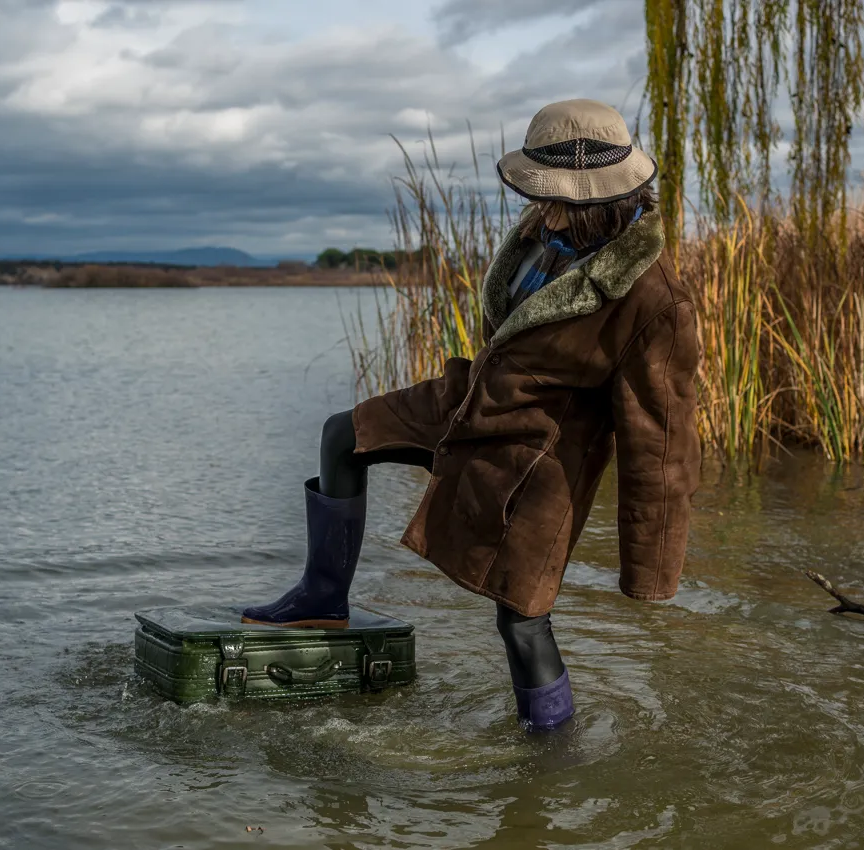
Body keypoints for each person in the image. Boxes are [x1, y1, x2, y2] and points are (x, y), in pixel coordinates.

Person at [242, 98, 702, 731]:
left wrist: (648, 572)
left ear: (606, 198)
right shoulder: (545, 236)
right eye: (540, 193)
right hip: (471, 400)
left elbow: (664, 443)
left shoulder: (655, 298)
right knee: (343, 436)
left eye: (560, 197)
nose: (544, 208)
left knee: (521, 619)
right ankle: (322, 600)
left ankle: (550, 750)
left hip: (540, 458)